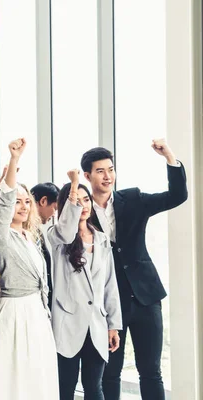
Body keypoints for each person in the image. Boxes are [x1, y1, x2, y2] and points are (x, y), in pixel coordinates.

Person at [80, 142, 188, 399]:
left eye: (111, 169)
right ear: (87, 176)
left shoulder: (134, 199)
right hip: (108, 304)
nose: (108, 176)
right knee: (109, 374)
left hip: (145, 298)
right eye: (100, 171)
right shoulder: (80, 211)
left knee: (151, 371)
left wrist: (169, 157)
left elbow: (177, 196)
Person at [0, 137, 58, 399]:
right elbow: (4, 203)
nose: (23, 206)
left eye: (27, 202)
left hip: (37, 313)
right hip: (13, 313)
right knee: (11, 379)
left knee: (37, 378)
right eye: (17, 201)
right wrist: (14, 160)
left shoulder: (32, 237)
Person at [48, 169, 122, 399]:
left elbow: (110, 284)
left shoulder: (101, 239)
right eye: (76, 201)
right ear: (67, 206)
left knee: (94, 388)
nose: (83, 205)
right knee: (65, 389)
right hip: (67, 324)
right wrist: (74, 183)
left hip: (96, 324)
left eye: (86, 199)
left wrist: (113, 325)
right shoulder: (57, 237)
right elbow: (67, 231)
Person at [31, 182, 60, 308]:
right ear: (43, 201)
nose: (54, 214)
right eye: (55, 208)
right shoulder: (22, 231)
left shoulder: (37, 232)